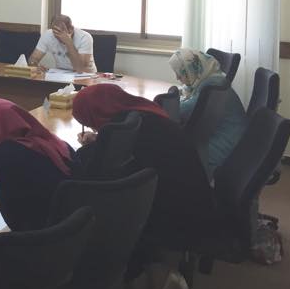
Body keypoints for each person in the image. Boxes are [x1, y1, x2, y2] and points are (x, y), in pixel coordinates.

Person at [72, 83, 215, 241]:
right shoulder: (142, 113)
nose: (93, 128)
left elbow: (94, 170)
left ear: (96, 112)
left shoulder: (123, 128)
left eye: (88, 122)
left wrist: (94, 145)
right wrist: (100, 139)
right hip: (194, 204)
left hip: (176, 220)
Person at [0, 95, 73, 231]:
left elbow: (14, 219)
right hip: (74, 229)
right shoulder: (50, 141)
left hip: (48, 236)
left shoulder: (7, 153)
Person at [170, 48, 247, 177]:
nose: (177, 77)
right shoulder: (213, 78)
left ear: (191, 70)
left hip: (223, 147)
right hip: (229, 139)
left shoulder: (212, 87)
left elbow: (180, 111)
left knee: (171, 152)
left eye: (180, 73)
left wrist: (171, 97)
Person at [28, 14, 96, 72]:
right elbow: (33, 59)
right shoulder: (48, 34)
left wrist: (68, 42)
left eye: (60, 32)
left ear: (71, 29)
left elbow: (80, 68)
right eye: (55, 32)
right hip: (61, 74)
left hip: (86, 75)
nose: (57, 36)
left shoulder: (85, 37)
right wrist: (36, 66)